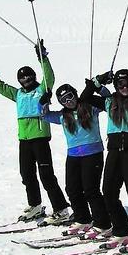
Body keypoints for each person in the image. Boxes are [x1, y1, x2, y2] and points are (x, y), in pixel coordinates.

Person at [0, 40, 71, 225]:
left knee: (46, 175)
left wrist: (42, 57)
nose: (26, 80)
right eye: (22, 78)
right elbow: (0, 86)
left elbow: (49, 77)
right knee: (26, 174)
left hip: (40, 139)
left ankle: (61, 208)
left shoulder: (42, 89)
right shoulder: (17, 94)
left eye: (28, 77)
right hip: (24, 140)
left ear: (33, 77)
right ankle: (34, 205)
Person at [80, 69, 128, 249]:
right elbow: (84, 98)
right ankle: (121, 230)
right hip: (114, 151)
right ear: (115, 85)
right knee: (109, 192)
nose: (125, 87)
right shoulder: (109, 101)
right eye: (121, 84)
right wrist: (97, 81)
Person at [39, 84, 112, 238]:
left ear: (76, 94)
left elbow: (108, 101)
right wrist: (43, 101)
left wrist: (99, 87)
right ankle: (83, 218)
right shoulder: (62, 115)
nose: (68, 101)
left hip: (93, 154)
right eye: (63, 100)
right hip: (73, 155)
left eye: (70, 96)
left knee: (91, 190)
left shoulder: (90, 108)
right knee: (72, 189)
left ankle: (103, 223)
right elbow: (43, 115)